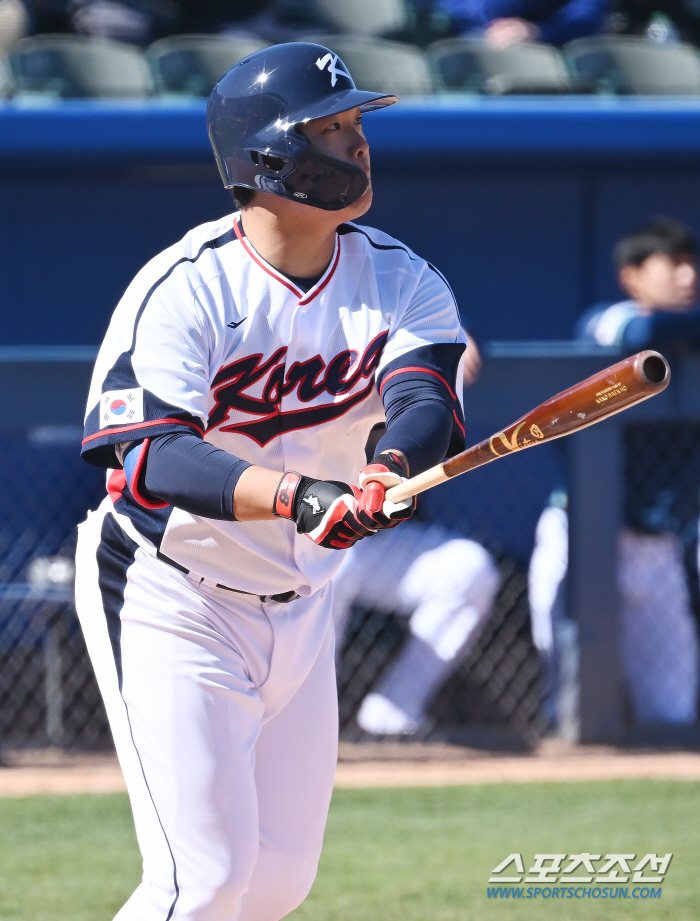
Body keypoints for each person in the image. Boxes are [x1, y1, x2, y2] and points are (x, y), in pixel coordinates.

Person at [74, 42, 467, 921]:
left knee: (275, 884)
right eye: (332, 128)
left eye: (358, 124)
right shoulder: (184, 289)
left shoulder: (399, 277)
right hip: (170, 594)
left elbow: (423, 395)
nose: (358, 145)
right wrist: (300, 497)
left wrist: (388, 467)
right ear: (271, 157)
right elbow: (150, 454)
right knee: (201, 881)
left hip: (303, 598)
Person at [530, 217, 700, 728]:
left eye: (692, 263)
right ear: (632, 275)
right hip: (580, 535)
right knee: (569, 703)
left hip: (658, 545)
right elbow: (645, 333)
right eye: (672, 263)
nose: (689, 275)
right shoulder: (610, 319)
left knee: (672, 712)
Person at [332, 338, 501, 736]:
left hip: (378, 540)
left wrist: (454, 333)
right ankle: (307, 713)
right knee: (330, 568)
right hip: (303, 532)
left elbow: (437, 341)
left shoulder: (409, 306)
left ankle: (394, 712)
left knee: (468, 569)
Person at [436, 0, 608, 47]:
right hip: (479, 42)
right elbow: (488, 10)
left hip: (556, 46)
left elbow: (589, 16)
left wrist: (539, 31)